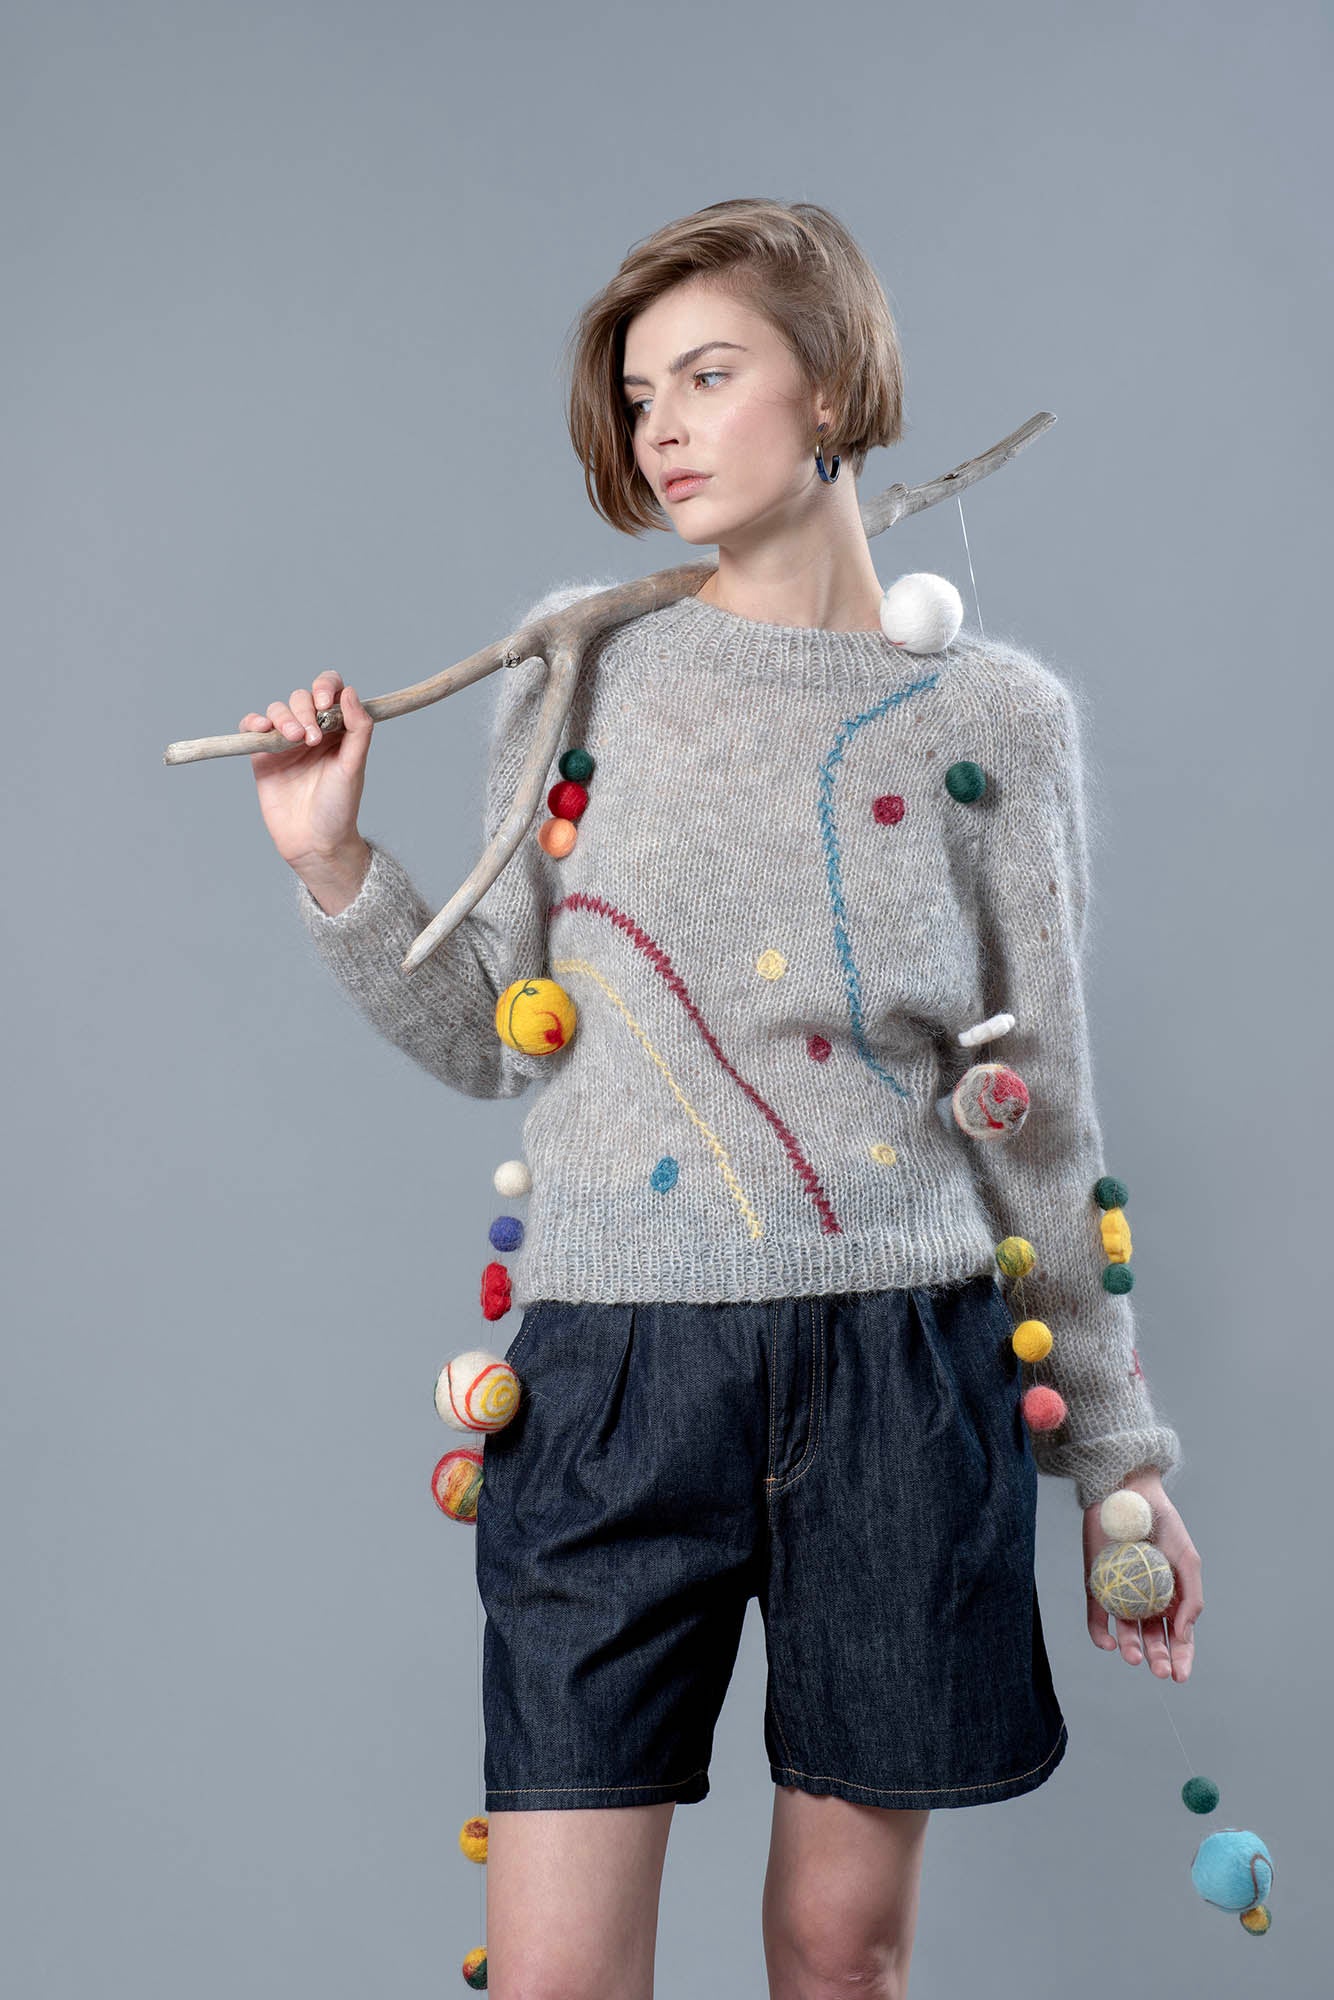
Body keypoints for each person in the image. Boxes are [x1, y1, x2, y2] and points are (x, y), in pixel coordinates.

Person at [242, 199, 1203, 2000]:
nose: (662, 425)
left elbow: (1039, 1105)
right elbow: (488, 1038)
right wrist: (334, 862)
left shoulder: (988, 717)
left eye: (708, 373)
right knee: (555, 1982)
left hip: (902, 1373)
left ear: (830, 383)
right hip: (608, 1379)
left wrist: (1116, 1464)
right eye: (636, 392)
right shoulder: (581, 667)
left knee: (840, 1960)